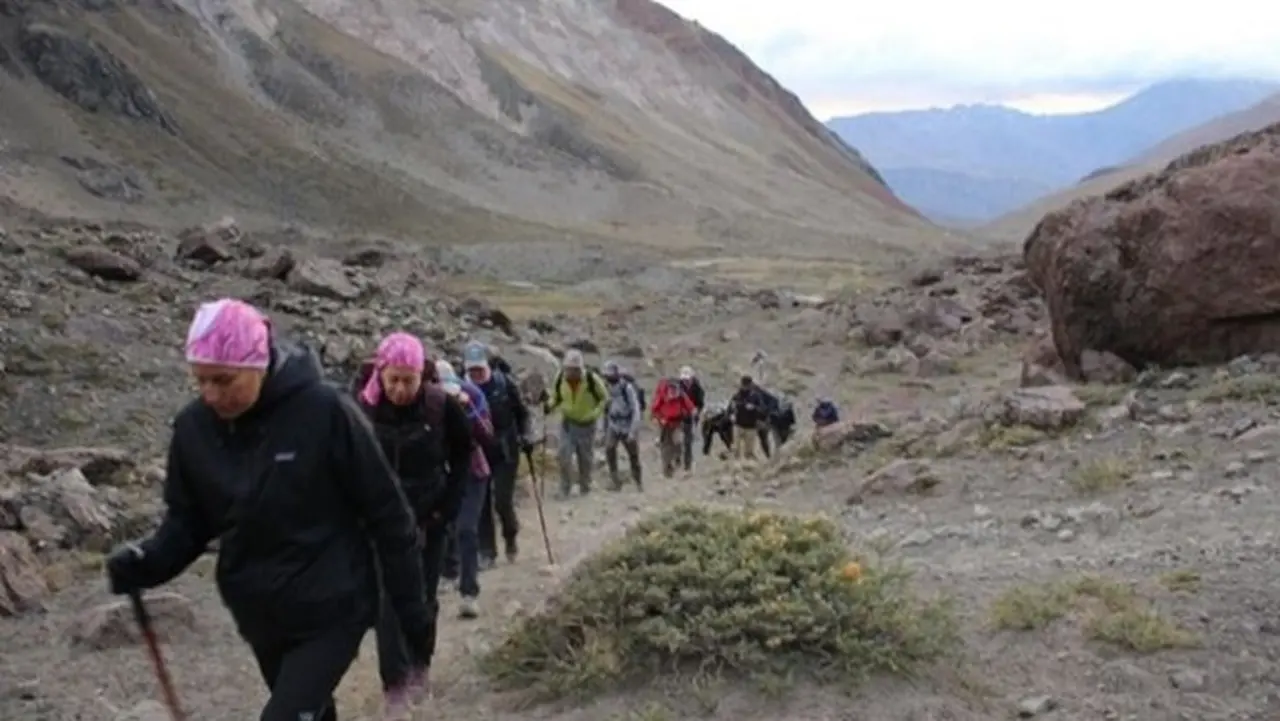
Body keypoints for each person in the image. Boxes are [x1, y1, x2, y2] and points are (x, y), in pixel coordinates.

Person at [104, 299, 434, 721]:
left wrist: (413, 615)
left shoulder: (325, 412)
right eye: (200, 380)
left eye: (223, 379)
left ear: (257, 364)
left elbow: (388, 515)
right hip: (259, 613)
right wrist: (144, 562)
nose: (211, 394)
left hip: (334, 607)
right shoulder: (193, 429)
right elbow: (188, 523)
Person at [353, 332, 473, 715]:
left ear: (422, 375)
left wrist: (447, 509)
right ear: (381, 374)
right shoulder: (363, 409)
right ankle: (395, 683)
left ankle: (421, 663)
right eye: (394, 380)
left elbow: (464, 453)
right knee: (387, 603)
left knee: (422, 597)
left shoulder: (441, 407)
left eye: (409, 380)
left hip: (430, 520)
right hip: (382, 525)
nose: (401, 389)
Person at [462, 341, 532, 565]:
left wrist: (526, 435)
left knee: (502, 501)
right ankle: (487, 552)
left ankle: (510, 536)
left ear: (487, 366)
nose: (476, 374)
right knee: (481, 504)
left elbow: (523, 414)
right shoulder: (462, 390)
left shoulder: (504, 384)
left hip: (506, 451)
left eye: (479, 369)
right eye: (471, 369)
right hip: (478, 453)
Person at [434, 359, 494, 620]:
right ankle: (447, 573)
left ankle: (469, 593)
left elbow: (487, 434)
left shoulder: (469, 401)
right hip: (441, 476)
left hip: (473, 474)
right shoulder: (425, 411)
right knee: (441, 530)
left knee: (466, 530)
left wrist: (469, 410)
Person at [543, 350, 607, 498]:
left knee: (585, 458)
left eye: (574, 369)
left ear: (580, 369)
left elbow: (604, 398)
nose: (570, 372)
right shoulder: (560, 378)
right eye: (568, 369)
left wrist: (595, 414)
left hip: (587, 425)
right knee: (564, 455)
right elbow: (556, 397)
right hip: (568, 423)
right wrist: (548, 406)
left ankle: (585, 486)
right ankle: (564, 489)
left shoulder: (591, 379)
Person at [600, 360, 643, 490]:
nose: (608, 378)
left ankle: (638, 482)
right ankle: (615, 481)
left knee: (633, 455)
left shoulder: (627, 388)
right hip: (613, 424)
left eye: (609, 375)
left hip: (627, 424)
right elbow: (604, 409)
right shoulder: (606, 388)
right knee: (609, 449)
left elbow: (635, 409)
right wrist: (604, 428)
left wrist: (633, 431)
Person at [650, 374, 697, 477]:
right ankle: (667, 470)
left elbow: (691, 407)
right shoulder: (662, 395)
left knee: (678, 442)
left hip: (677, 423)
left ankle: (677, 460)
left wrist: (691, 413)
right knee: (666, 447)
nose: (673, 391)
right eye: (671, 388)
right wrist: (659, 418)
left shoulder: (681, 395)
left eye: (675, 388)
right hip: (664, 424)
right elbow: (654, 409)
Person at [729, 374, 771, 462]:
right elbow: (730, 408)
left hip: (751, 427)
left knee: (749, 452)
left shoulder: (755, 396)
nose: (745, 387)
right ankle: (735, 466)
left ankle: (748, 466)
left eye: (747, 385)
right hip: (738, 425)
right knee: (735, 450)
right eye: (743, 385)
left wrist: (754, 408)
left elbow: (763, 409)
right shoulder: (736, 395)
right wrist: (731, 415)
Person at [676, 366, 706, 472]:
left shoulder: (697, 388)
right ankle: (677, 461)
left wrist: (696, 410)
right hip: (679, 416)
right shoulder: (678, 387)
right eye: (684, 380)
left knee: (688, 441)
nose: (686, 382)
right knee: (677, 440)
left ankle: (687, 465)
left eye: (688, 380)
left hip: (692, 417)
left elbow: (700, 403)